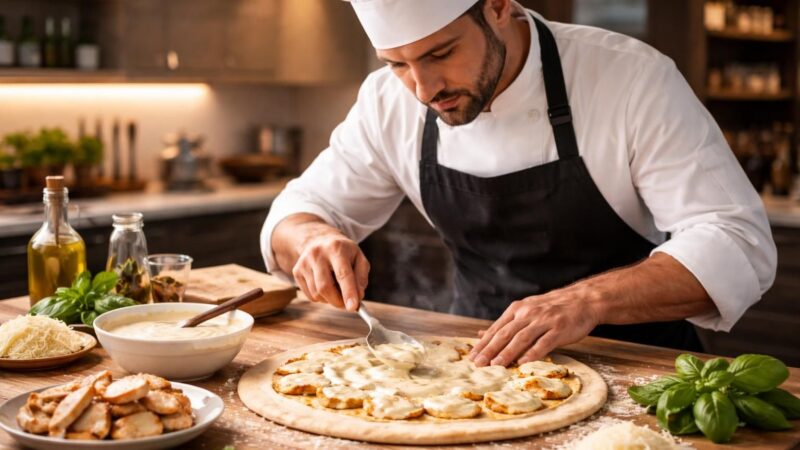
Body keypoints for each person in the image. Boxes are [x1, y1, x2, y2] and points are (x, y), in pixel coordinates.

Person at [261, 0, 776, 367]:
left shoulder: (630, 78)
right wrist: (314, 240)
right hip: (473, 366)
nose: (423, 88)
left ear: (500, 6)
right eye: (398, 64)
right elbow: (300, 210)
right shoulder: (387, 102)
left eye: (441, 54)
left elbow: (737, 241)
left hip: (640, 365)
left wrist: (584, 302)